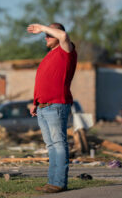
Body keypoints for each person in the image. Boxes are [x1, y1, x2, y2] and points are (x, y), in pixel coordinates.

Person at [27, 23, 77, 193]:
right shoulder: (50, 56)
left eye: (49, 34)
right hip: (43, 107)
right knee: (51, 146)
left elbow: (63, 36)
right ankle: (52, 182)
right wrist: (35, 102)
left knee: (58, 143)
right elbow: (42, 80)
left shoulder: (66, 51)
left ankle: (59, 182)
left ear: (57, 33)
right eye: (45, 35)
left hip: (56, 105)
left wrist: (42, 27)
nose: (45, 37)